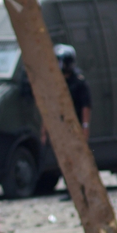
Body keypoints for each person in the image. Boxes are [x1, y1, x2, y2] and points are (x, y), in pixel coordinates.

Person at [42, 44, 91, 200]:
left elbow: (85, 106)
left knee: (77, 159)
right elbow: (50, 106)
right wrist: (45, 129)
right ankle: (71, 189)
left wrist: (85, 126)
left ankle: (81, 190)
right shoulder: (57, 83)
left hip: (75, 126)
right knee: (66, 160)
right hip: (62, 126)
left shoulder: (78, 82)